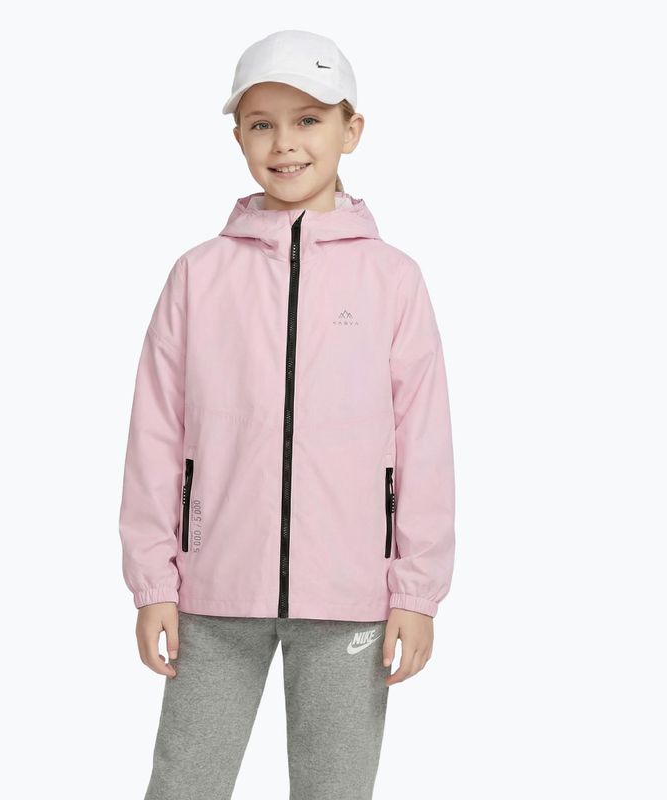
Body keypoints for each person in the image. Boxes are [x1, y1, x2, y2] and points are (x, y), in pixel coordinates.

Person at [118, 29, 456, 800]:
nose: (285, 143)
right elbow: (156, 435)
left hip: (351, 595)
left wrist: (415, 592)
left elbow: (424, 443)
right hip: (213, 588)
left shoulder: (393, 280)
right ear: (238, 135)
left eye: (308, 119)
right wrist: (154, 582)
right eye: (262, 123)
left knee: (336, 789)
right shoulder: (199, 275)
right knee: (184, 785)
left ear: (351, 130)